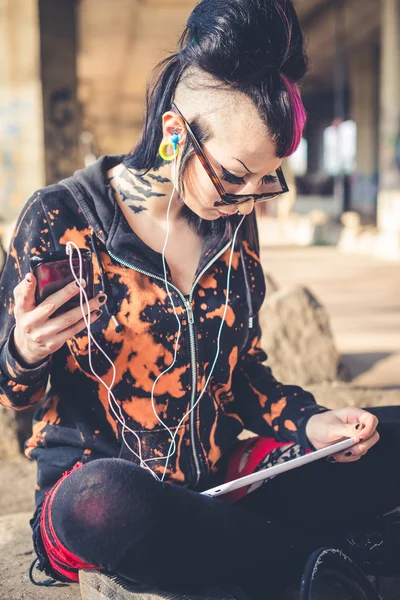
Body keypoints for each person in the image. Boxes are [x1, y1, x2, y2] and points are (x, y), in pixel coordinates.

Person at [0, 1, 399, 598]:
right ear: (172, 135)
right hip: (103, 492)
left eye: (266, 180)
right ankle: (315, 563)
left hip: (221, 481)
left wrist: (311, 422)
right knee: (103, 503)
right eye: (233, 176)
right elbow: (14, 393)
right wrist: (25, 350)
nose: (246, 201)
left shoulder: (232, 222)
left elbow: (242, 379)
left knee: (385, 438)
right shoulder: (60, 219)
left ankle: (288, 561)